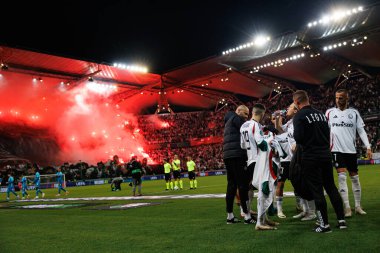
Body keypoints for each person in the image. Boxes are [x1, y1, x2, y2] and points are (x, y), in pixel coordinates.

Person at [292, 90, 346, 233]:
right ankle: (341, 221)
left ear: (297, 102)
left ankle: (324, 225)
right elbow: (328, 134)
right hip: (326, 155)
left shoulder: (299, 116)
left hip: (311, 157)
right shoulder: (321, 114)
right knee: (331, 187)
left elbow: (298, 137)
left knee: (317, 191)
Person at [326, 89, 371, 217]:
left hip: (351, 149)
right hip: (336, 149)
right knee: (341, 177)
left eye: (341, 98)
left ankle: (357, 206)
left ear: (347, 98)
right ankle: (347, 207)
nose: (338, 100)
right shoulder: (329, 112)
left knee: (355, 177)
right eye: (336, 98)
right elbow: (324, 130)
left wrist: (368, 146)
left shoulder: (354, 113)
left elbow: (361, 131)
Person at [273, 103, 316, 221]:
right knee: (300, 185)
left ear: (296, 110)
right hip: (295, 159)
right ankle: (305, 210)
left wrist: (298, 143)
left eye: (290, 107)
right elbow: (280, 130)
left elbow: (308, 134)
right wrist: (277, 119)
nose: (287, 108)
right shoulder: (291, 122)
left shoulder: (301, 120)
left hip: (304, 156)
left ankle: (312, 212)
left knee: (306, 184)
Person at [242, 104, 278, 230]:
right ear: (262, 114)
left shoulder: (243, 126)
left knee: (260, 189)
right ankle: (260, 222)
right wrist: (271, 143)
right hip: (259, 161)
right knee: (264, 189)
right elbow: (261, 144)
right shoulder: (256, 125)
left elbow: (242, 145)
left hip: (250, 160)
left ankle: (264, 219)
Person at [223, 105, 250, 224]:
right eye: (245, 114)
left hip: (228, 155)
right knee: (242, 185)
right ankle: (247, 216)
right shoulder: (237, 119)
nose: (246, 117)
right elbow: (247, 130)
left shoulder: (228, 121)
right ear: (238, 111)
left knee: (231, 185)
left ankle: (230, 216)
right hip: (238, 155)